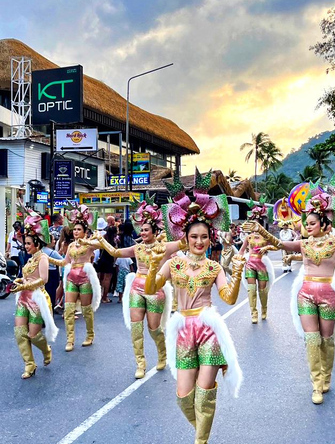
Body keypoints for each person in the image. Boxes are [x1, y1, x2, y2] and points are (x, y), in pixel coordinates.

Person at [251, 186, 335, 404]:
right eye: (306, 223)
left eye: (312, 223)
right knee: (311, 339)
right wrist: (261, 231)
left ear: (324, 223)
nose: (308, 227)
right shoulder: (303, 244)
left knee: (327, 340)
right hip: (306, 295)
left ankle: (327, 377)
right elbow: (281, 243)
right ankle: (316, 384)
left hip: (329, 295)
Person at [144, 170, 244, 444]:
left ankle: (200, 441)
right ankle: (202, 432)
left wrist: (235, 273)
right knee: (183, 396)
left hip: (208, 330)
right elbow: (151, 290)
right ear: (185, 238)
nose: (199, 242)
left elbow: (229, 298)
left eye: (204, 237)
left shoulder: (213, 267)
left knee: (204, 391)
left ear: (210, 238)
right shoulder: (173, 263)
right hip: (183, 331)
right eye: (194, 237)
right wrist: (153, 269)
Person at [96, 198, 182, 379]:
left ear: (155, 231)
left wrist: (184, 222)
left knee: (154, 329)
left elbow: (184, 243)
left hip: (155, 289)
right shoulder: (137, 248)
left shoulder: (164, 247)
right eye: (141, 230)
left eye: (146, 230)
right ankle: (140, 364)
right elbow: (115, 252)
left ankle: (162, 354)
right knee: (136, 329)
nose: (142, 233)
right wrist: (101, 241)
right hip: (136, 288)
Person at [47, 205, 101, 351]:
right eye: (75, 229)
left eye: (79, 230)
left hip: (85, 279)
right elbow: (64, 262)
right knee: (68, 310)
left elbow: (100, 245)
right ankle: (70, 340)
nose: (76, 232)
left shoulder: (89, 245)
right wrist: (48, 258)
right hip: (71, 278)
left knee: (86, 310)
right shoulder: (70, 245)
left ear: (84, 232)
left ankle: (90, 335)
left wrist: (90, 240)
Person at [10, 211, 58, 378]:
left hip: (37, 299)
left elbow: (43, 279)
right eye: (26, 243)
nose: (26, 246)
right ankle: (29, 364)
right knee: (19, 333)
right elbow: (26, 277)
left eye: (29, 243)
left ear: (37, 244)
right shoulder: (30, 259)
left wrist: (26, 284)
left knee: (33, 335)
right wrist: (19, 281)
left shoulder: (42, 258)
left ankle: (46, 351)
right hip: (23, 298)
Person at [238, 207, 276, 324]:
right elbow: (241, 250)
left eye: (256, 225)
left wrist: (267, 247)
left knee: (262, 290)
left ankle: (264, 309)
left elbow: (277, 246)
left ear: (261, 226)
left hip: (261, 265)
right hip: (250, 264)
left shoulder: (266, 237)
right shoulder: (248, 237)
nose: (253, 229)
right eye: (252, 226)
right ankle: (253, 313)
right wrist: (238, 258)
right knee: (251, 290)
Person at [95, 225, 118, 304]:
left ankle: (100, 294)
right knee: (107, 279)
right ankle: (105, 297)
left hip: (102, 260)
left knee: (101, 278)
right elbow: (115, 253)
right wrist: (114, 263)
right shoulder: (113, 241)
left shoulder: (103, 239)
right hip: (109, 260)